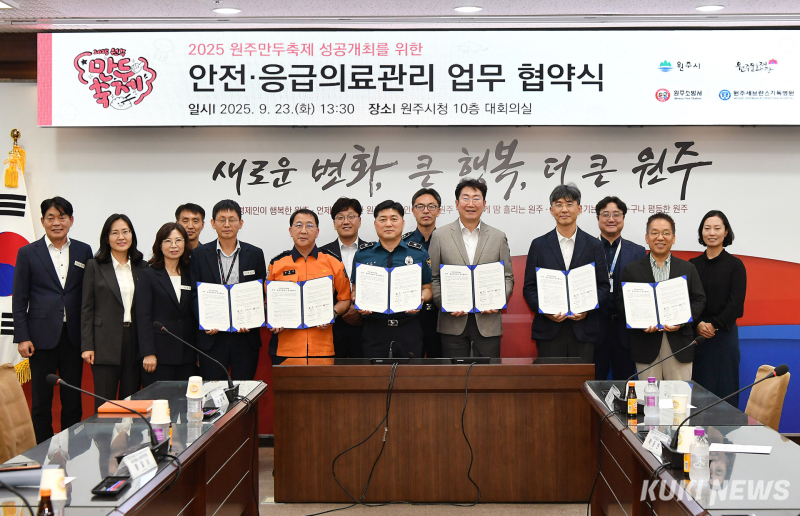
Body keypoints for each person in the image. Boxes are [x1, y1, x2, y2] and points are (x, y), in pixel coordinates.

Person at [12, 197, 93, 443]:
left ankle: (73, 449)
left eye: (62, 217)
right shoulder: (27, 253)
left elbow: (88, 294)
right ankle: (42, 449)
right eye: (51, 217)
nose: (57, 222)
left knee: (72, 399)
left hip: (73, 337)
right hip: (40, 337)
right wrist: (23, 336)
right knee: (41, 401)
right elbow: (20, 298)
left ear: (71, 220)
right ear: (42, 221)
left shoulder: (83, 250)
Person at [522, 183, 610, 363]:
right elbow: (529, 288)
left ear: (579, 209)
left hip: (584, 332)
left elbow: (603, 286)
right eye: (559, 204)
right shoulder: (538, 245)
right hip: (549, 331)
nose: (564, 209)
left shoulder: (594, 245)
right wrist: (545, 311)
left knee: (581, 380)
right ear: (551, 210)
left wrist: (587, 309)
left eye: (569, 204)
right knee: (551, 379)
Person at [428, 180, 514, 358]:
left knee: (488, 374)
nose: (471, 203)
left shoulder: (498, 237)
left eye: (476, 198)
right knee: (454, 374)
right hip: (452, 322)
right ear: (456, 203)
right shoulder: (439, 236)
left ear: (484, 204)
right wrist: (445, 303)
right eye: (465, 198)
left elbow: (508, 277)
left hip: (488, 323)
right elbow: (433, 278)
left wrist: (498, 300)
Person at [617, 213, 706, 381]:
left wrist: (682, 321)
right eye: (654, 233)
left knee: (679, 394)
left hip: (679, 343)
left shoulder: (687, 268)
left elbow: (699, 300)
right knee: (649, 394)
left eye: (666, 233)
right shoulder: (632, 269)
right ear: (647, 238)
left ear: (673, 238)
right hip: (645, 343)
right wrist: (639, 322)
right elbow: (621, 302)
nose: (660, 238)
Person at [190, 199, 266, 380]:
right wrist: (205, 321)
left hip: (245, 337)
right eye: (221, 219)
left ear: (240, 223)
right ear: (213, 223)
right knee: (214, 390)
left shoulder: (255, 254)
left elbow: (260, 294)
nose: (226, 224)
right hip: (212, 337)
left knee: (245, 389)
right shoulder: (199, 255)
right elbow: (194, 294)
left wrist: (252, 320)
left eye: (232, 219)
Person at [81, 214, 148, 410]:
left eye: (125, 232)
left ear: (132, 235)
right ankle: (103, 433)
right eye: (115, 232)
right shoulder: (94, 266)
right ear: (106, 237)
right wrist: (87, 345)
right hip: (104, 343)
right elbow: (87, 308)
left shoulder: (142, 267)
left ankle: (131, 433)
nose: (121, 237)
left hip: (134, 341)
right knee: (105, 404)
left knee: (131, 403)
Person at [268, 209, 352, 364]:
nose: (303, 231)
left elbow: (345, 299)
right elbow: (268, 303)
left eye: (309, 226)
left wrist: (332, 313)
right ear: (290, 231)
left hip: (323, 347)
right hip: (286, 348)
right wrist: (274, 319)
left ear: (317, 231)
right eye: (298, 225)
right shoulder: (277, 264)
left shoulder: (333, 262)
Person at [351, 200, 432, 359]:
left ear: (402, 223)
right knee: (374, 374)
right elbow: (354, 291)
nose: (388, 224)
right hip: (374, 329)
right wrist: (357, 301)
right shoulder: (363, 254)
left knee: (409, 374)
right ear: (375, 224)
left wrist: (421, 298)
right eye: (383, 219)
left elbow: (428, 288)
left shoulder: (418, 253)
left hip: (408, 328)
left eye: (394, 219)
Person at [689, 210, 746, 406]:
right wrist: (697, 324)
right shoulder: (692, 265)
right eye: (707, 228)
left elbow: (736, 304)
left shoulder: (735, 265)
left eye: (717, 228)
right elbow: (686, 300)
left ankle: (725, 428)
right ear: (701, 232)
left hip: (723, 336)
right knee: (698, 394)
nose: (711, 233)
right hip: (697, 337)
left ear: (726, 232)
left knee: (725, 391)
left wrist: (714, 325)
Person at [135, 223, 198, 387]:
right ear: (159, 245)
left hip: (187, 356)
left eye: (178, 240)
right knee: (159, 401)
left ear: (185, 243)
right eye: (168, 241)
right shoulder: (148, 275)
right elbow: (143, 317)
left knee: (186, 401)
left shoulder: (191, 273)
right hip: (158, 357)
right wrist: (148, 353)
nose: (174, 245)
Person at [593, 196, 647, 380]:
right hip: (595, 328)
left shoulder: (638, 252)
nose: (611, 219)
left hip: (625, 330)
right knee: (593, 384)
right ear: (598, 218)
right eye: (605, 214)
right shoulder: (587, 248)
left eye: (616, 214)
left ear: (623, 217)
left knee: (625, 384)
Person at [320, 197, 367, 358]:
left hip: (365, 327)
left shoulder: (372, 251)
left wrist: (358, 309)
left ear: (359, 221)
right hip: (331, 327)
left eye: (351, 216)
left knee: (363, 373)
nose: (346, 221)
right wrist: (340, 310)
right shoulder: (321, 254)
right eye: (340, 217)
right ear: (334, 224)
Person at [403, 188, 443, 358]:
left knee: (440, 368)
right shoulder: (402, 244)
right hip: (411, 318)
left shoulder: (449, 241)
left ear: (439, 211)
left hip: (442, 316)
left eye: (431, 206)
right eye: (420, 206)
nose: (426, 211)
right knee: (411, 368)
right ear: (413, 210)